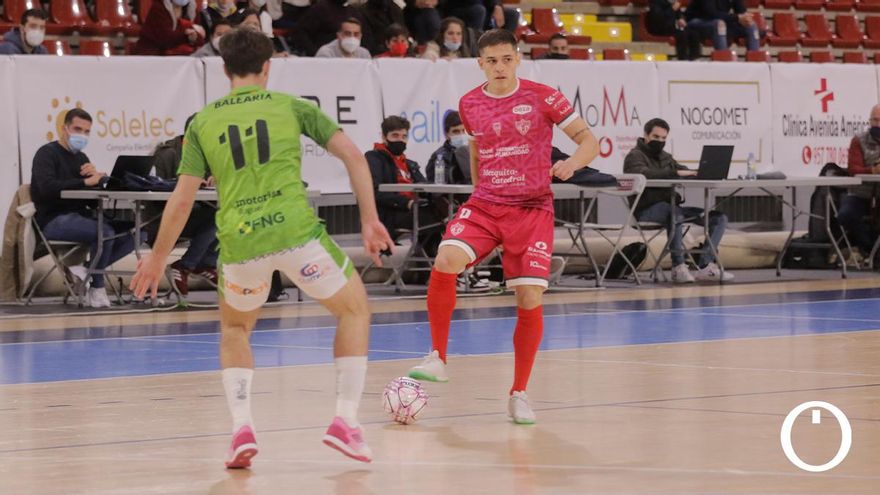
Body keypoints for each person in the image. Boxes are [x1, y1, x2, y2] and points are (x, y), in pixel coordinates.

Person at [130, 27, 393, 468]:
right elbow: (352, 154)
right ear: (268, 67)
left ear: (224, 68)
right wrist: (368, 219)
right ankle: (345, 422)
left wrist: (157, 258)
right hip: (296, 235)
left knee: (236, 331)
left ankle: (241, 430)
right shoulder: (291, 106)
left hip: (240, 244)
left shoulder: (204, 121)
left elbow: (181, 200)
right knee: (354, 311)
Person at [407, 29, 599, 423]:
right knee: (446, 259)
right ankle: (438, 357)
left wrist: (572, 163)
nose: (499, 67)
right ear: (480, 64)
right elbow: (476, 147)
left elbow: (588, 141)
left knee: (528, 298)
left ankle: (519, 393)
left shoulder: (543, 96)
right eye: (491, 61)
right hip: (487, 205)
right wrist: (479, 190)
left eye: (506, 59)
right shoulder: (470, 102)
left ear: (517, 59)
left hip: (531, 211)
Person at [30, 108, 136, 308]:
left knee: (138, 231)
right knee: (104, 232)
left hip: (82, 216)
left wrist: (97, 180)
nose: (82, 135)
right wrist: (85, 183)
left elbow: (88, 200)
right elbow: (46, 188)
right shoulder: (46, 154)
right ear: (64, 129)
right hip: (53, 220)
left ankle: (86, 270)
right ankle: (96, 288)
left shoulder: (82, 158)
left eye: (87, 131)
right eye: (77, 129)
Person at [623, 118, 732, 283]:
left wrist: (698, 172)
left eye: (663, 138)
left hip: (672, 207)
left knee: (719, 218)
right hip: (646, 209)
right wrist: (678, 173)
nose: (659, 141)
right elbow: (646, 174)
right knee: (676, 214)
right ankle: (678, 267)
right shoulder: (634, 156)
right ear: (645, 135)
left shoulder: (666, 157)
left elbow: (679, 169)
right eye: (656, 136)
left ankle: (705, 265)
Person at [147, 115, 219, 296]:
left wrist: (218, 178)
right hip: (162, 218)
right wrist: (186, 184)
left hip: (192, 213)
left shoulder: (208, 153)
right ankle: (185, 266)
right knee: (216, 218)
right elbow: (154, 188)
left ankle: (204, 264)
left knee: (225, 216)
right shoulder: (166, 153)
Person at [366, 116, 444, 260]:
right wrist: (406, 203)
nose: (400, 140)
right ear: (384, 137)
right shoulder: (373, 158)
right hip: (391, 214)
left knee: (447, 212)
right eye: (395, 135)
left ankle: (439, 268)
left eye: (404, 136)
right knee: (444, 218)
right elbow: (374, 192)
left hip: (415, 210)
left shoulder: (409, 164)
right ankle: (446, 268)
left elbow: (426, 187)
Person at [836, 104, 880, 257]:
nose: (878, 124)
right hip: (861, 193)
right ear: (869, 121)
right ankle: (868, 247)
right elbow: (853, 170)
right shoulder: (858, 141)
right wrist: (872, 170)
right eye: (875, 120)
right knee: (845, 215)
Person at [291, 0, 362, 56]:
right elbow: (301, 32)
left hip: (351, 59)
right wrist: (315, 53)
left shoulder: (354, 12)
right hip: (324, 59)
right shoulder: (320, 8)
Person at [685, 0, 759, 53]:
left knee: (751, 25)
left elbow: (741, 11)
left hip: (718, 20)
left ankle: (756, 64)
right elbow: (711, 13)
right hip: (696, 21)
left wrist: (745, 18)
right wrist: (737, 18)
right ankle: (723, 62)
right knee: (720, 24)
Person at [134, 0, 205, 55]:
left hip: (180, 57)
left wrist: (194, 37)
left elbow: (200, 37)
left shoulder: (192, 9)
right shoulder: (159, 7)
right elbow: (166, 39)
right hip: (152, 54)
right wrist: (187, 36)